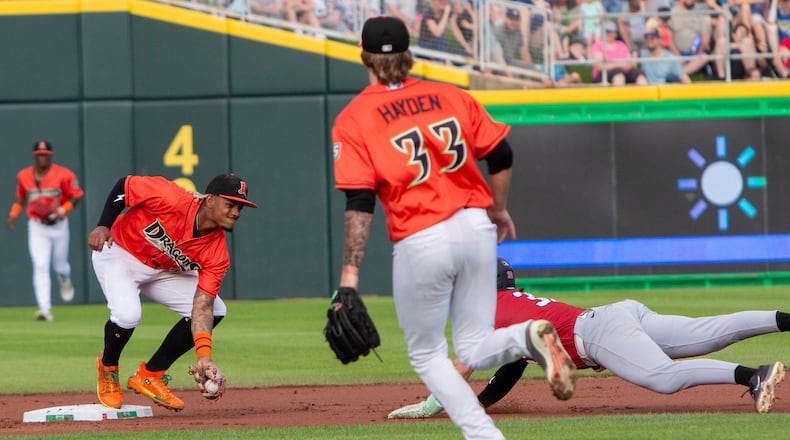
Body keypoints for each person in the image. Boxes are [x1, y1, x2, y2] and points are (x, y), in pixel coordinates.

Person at [331, 16, 577, 439]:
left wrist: (349, 278)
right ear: (411, 54)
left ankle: (484, 435)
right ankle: (527, 335)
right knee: (473, 345)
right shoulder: (450, 95)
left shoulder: (354, 118)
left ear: (363, 56)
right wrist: (498, 211)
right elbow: (501, 153)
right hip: (476, 226)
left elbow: (360, 202)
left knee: (428, 356)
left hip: (421, 235)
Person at [388, 258, 789, 419]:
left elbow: (463, 365)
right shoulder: (512, 308)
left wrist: (432, 403)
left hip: (596, 335)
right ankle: (784, 319)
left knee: (663, 377)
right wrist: (481, 403)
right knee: (705, 333)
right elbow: (512, 366)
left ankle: (754, 376)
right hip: (617, 315)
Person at [89, 173, 258, 411]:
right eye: (230, 204)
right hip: (119, 251)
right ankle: (108, 367)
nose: (236, 213)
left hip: (160, 269)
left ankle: (150, 375)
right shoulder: (171, 197)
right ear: (210, 200)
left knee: (217, 310)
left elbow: (202, 307)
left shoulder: (217, 253)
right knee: (128, 316)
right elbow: (125, 186)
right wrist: (104, 225)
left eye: (240, 208)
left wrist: (204, 358)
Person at [6, 140, 83, 321]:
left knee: (60, 265)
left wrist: (62, 210)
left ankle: (64, 278)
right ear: (34, 156)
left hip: (59, 224)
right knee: (40, 265)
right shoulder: (23, 176)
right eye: (40, 155)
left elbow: (76, 195)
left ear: (51, 156)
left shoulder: (64, 174)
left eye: (46, 155)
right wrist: (13, 215)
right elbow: (20, 198)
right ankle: (44, 309)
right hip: (36, 225)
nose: (43, 158)